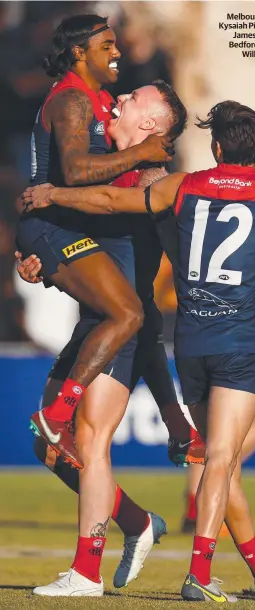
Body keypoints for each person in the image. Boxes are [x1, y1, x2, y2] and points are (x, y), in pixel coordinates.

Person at [23, 99, 255, 603]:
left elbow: (107, 201)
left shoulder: (182, 186)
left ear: (215, 146)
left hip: (190, 341)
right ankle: (200, 574)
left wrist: (52, 192)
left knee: (218, 460)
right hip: (238, 342)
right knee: (220, 459)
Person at [17, 81, 206, 597]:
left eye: (134, 98)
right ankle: (138, 522)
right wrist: (39, 264)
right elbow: (74, 235)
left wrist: (174, 412)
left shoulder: (150, 176)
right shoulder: (102, 161)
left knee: (92, 444)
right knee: (50, 449)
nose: (119, 96)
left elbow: (143, 307)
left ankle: (86, 573)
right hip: (95, 327)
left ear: (149, 125)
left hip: (120, 332)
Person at [16, 14, 174, 468]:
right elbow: (76, 174)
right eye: (107, 45)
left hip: (61, 231)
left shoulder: (100, 100)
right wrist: (143, 152)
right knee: (129, 313)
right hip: (53, 229)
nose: (118, 52)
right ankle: (57, 414)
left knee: (135, 317)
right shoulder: (71, 101)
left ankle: (138, 516)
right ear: (79, 53)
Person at [182, 149, 255, 535]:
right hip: (236, 328)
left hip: (234, 325)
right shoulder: (244, 206)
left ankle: (214, 479)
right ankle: (214, 483)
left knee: (233, 433)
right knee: (233, 435)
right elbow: (233, 277)